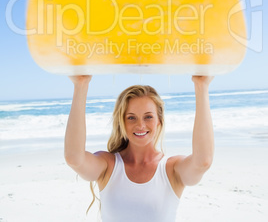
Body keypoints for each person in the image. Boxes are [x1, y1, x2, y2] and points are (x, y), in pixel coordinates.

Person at [64, 75, 214, 221]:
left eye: (148, 117)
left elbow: (203, 162)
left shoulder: (172, 169)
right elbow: (74, 158)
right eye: (131, 117)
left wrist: (201, 87)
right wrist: (81, 85)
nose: (140, 125)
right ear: (121, 122)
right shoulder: (108, 165)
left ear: (159, 121)